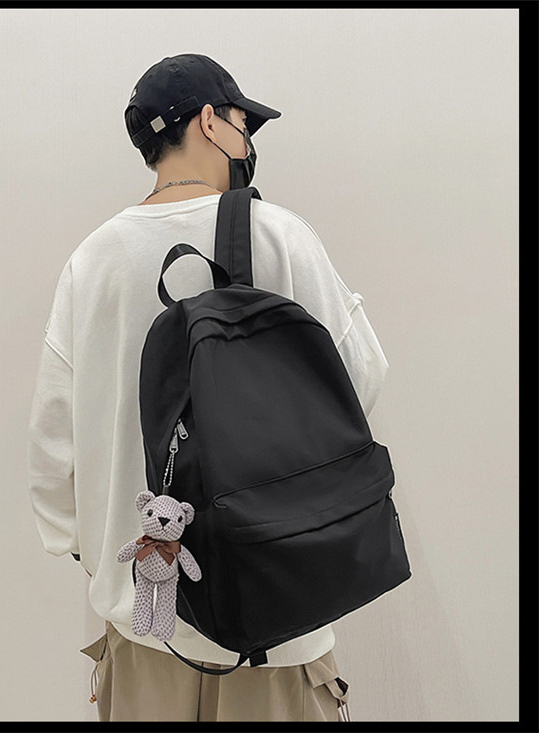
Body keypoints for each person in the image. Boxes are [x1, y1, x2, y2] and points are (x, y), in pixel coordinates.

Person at [27, 53, 388, 722]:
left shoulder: (92, 260)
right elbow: (360, 378)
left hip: (144, 625)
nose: (247, 144)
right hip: (276, 621)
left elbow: (52, 447)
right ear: (210, 122)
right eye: (244, 125)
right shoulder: (280, 235)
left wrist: (94, 549)